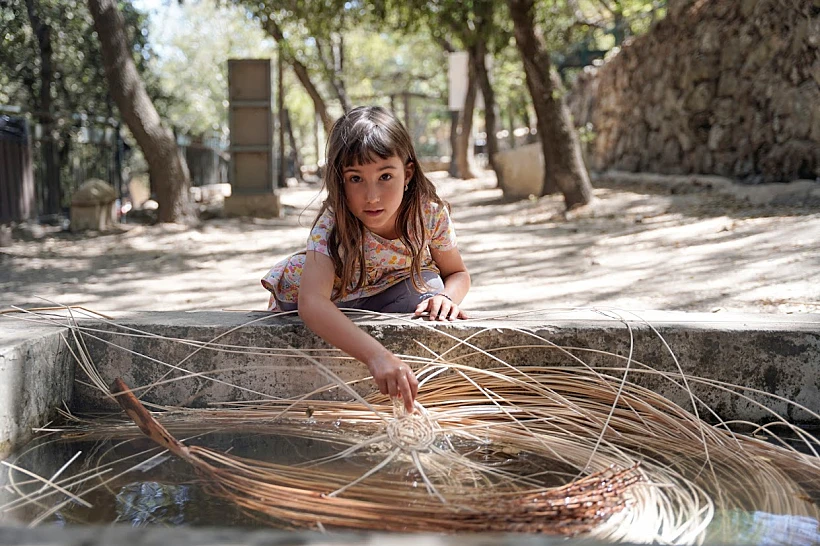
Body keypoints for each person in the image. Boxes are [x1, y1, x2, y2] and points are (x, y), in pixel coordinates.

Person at [262, 106, 471, 412]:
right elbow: (313, 304)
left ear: (408, 173)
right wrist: (377, 355)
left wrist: (447, 297)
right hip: (326, 299)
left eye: (385, 176)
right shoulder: (332, 226)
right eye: (356, 178)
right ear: (339, 180)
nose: (372, 196)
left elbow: (458, 274)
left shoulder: (428, 215)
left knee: (430, 287)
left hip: (386, 290)